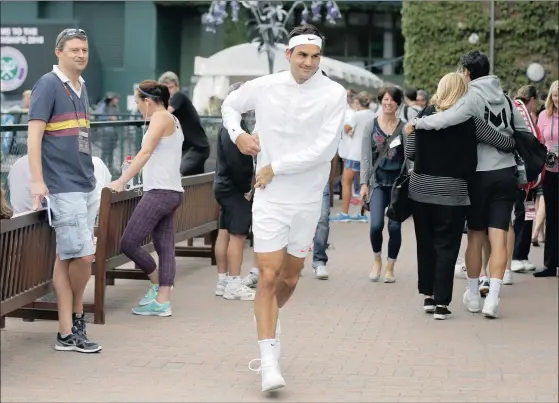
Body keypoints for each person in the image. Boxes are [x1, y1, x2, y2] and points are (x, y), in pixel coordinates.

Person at [221, 24, 346, 393]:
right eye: (302, 54)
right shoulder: (266, 85)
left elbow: (325, 149)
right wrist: (239, 134)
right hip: (270, 196)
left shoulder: (334, 93)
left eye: (314, 55)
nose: (308, 62)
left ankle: (271, 325)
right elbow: (230, 105)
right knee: (268, 274)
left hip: (307, 198)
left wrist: (277, 166)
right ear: (288, 54)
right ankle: (269, 360)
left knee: (290, 279)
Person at [406, 50, 530, 319]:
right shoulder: (489, 110)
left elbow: (419, 145)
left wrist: (418, 129)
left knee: (449, 239)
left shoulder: (443, 109)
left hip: (446, 184)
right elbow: (511, 139)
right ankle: (467, 301)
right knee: (472, 241)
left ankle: (449, 295)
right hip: (478, 182)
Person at [27, 28, 101, 352]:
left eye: (84, 50)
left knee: (66, 257)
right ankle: (77, 317)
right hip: (62, 185)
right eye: (74, 50)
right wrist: (37, 181)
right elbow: (33, 137)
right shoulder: (48, 85)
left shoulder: (81, 86)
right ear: (59, 52)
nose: (80, 55)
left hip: (83, 182)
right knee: (84, 257)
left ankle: (65, 332)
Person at [107, 80, 184, 316]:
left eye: (139, 102)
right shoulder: (172, 119)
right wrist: (133, 167)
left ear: (148, 102)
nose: (138, 107)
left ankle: (155, 284)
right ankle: (162, 300)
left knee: (129, 242)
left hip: (160, 192)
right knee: (164, 246)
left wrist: (121, 180)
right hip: (171, 190)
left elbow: (146, 152)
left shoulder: (160, 118)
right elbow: (157, 154)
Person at [213, 81, 257, 301]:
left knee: (224, 231)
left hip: (223, 184)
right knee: (237, 235)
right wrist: (246, 189)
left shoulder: (226, 125)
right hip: (234, 187)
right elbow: (238, 163)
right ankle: (233, 283)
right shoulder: (235, 128)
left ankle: (223, 281)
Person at [360, 86, 407, 283]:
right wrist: (363, 183)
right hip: (377, 182)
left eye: (392, 100)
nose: (388, 103)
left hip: (398, 184)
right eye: (385, 100)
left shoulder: (404, 127)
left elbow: (410, 156)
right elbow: (364, 156)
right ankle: (377, 259)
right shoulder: (370, 126)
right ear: (381, 101)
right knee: (376, 225)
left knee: (394, 227)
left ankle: (390, 266)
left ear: (398, 103)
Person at [158, 72, 210, 176]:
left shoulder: (178, 96)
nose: (168, 91)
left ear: (177, 87)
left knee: (179, 174)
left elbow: (165, 113)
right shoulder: (170, 102)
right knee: (195, 181)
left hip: (196, 148)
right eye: (165, 88)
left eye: (170, 87)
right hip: (189, 148)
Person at [534, 80, 558, 278]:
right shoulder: (543, 116)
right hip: (549, 173)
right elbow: (539, 142)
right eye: (556, 95)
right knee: (551, 218)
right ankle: (550, 265)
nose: (558, 100)